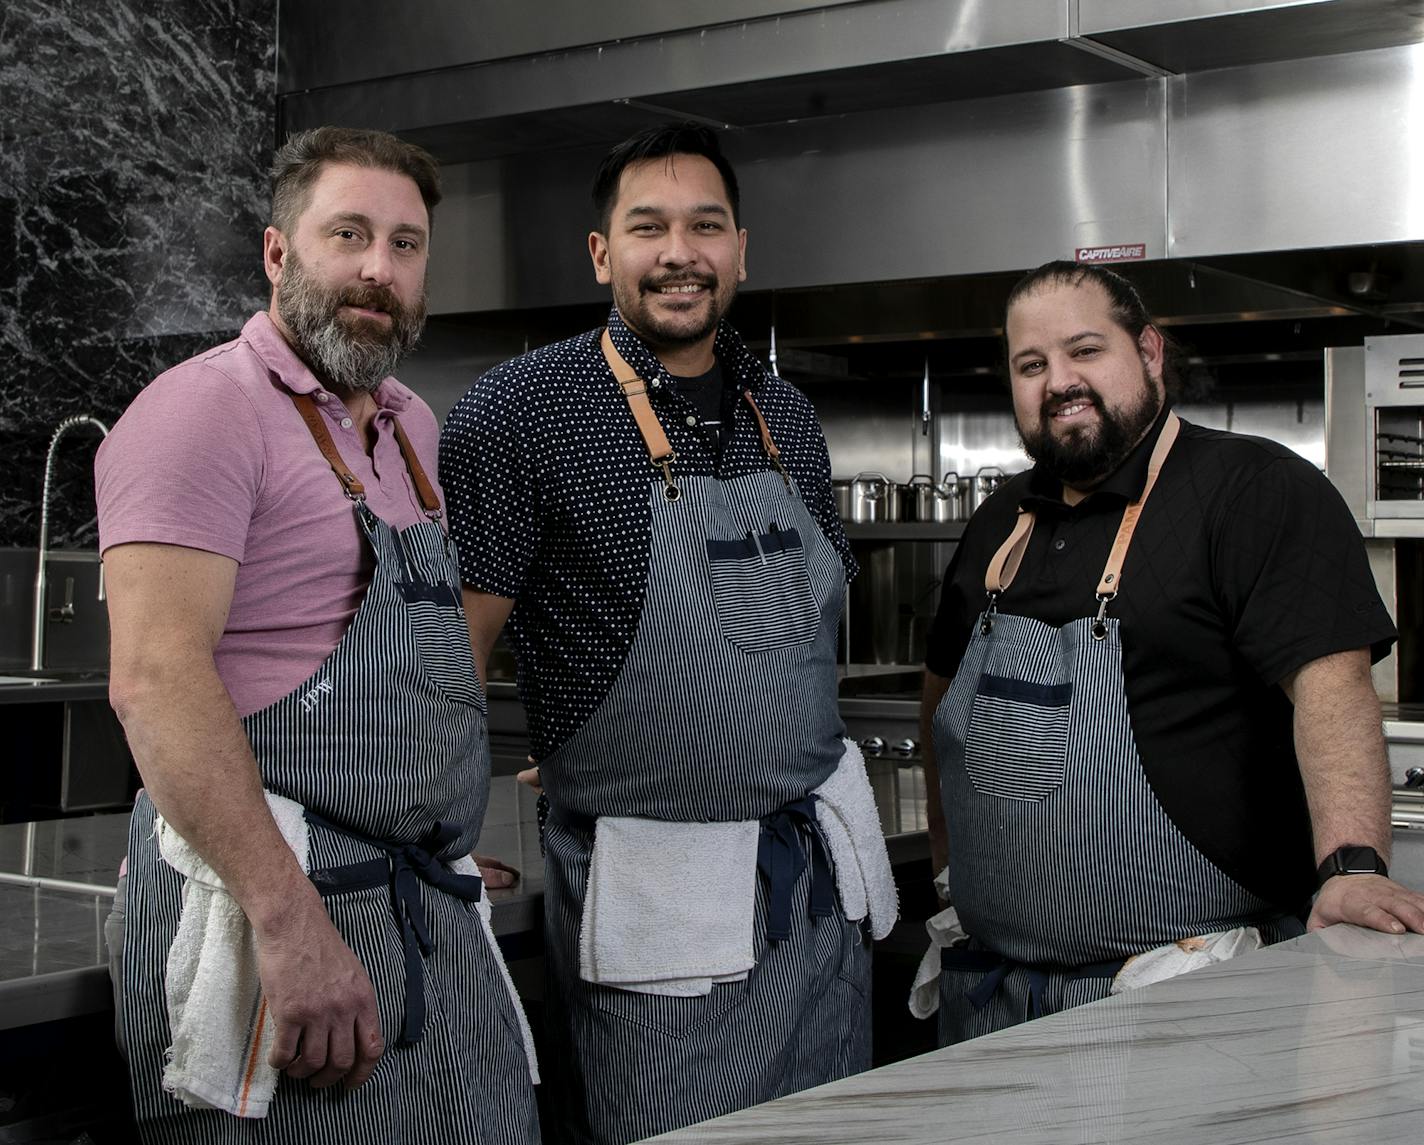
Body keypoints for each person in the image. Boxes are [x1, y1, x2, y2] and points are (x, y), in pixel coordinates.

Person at [439, 122, 893, 1144]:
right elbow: (450, 652)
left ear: (740, 249)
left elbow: (793, 642)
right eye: (647, 227)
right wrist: (449, 825)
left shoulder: (787, 416)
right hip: (661, 918)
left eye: (705, 226)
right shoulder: (518, 412)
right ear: (601, 253)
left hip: (819, 903)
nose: (678, 253)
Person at [96, 126, 539, 1141]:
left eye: (405, 244)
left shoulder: (411, 426)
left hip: (411, 901)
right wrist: (289, 921)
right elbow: (156, 681)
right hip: (281, 916)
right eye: (348, 234)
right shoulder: (201, 410)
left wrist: (436, 830)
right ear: (277, 252)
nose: (377, 270)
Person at [919, 260, 1424, 1047]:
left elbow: (1333, 687)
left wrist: (1350, 866)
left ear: (1149, 352)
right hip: (990, 1005)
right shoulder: (997, 524)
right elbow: (945, 698)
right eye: (1032, 364)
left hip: (1186, 994)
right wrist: (953, 867)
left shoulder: (1253, 490)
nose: (1059, 381)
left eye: (1085, 350)